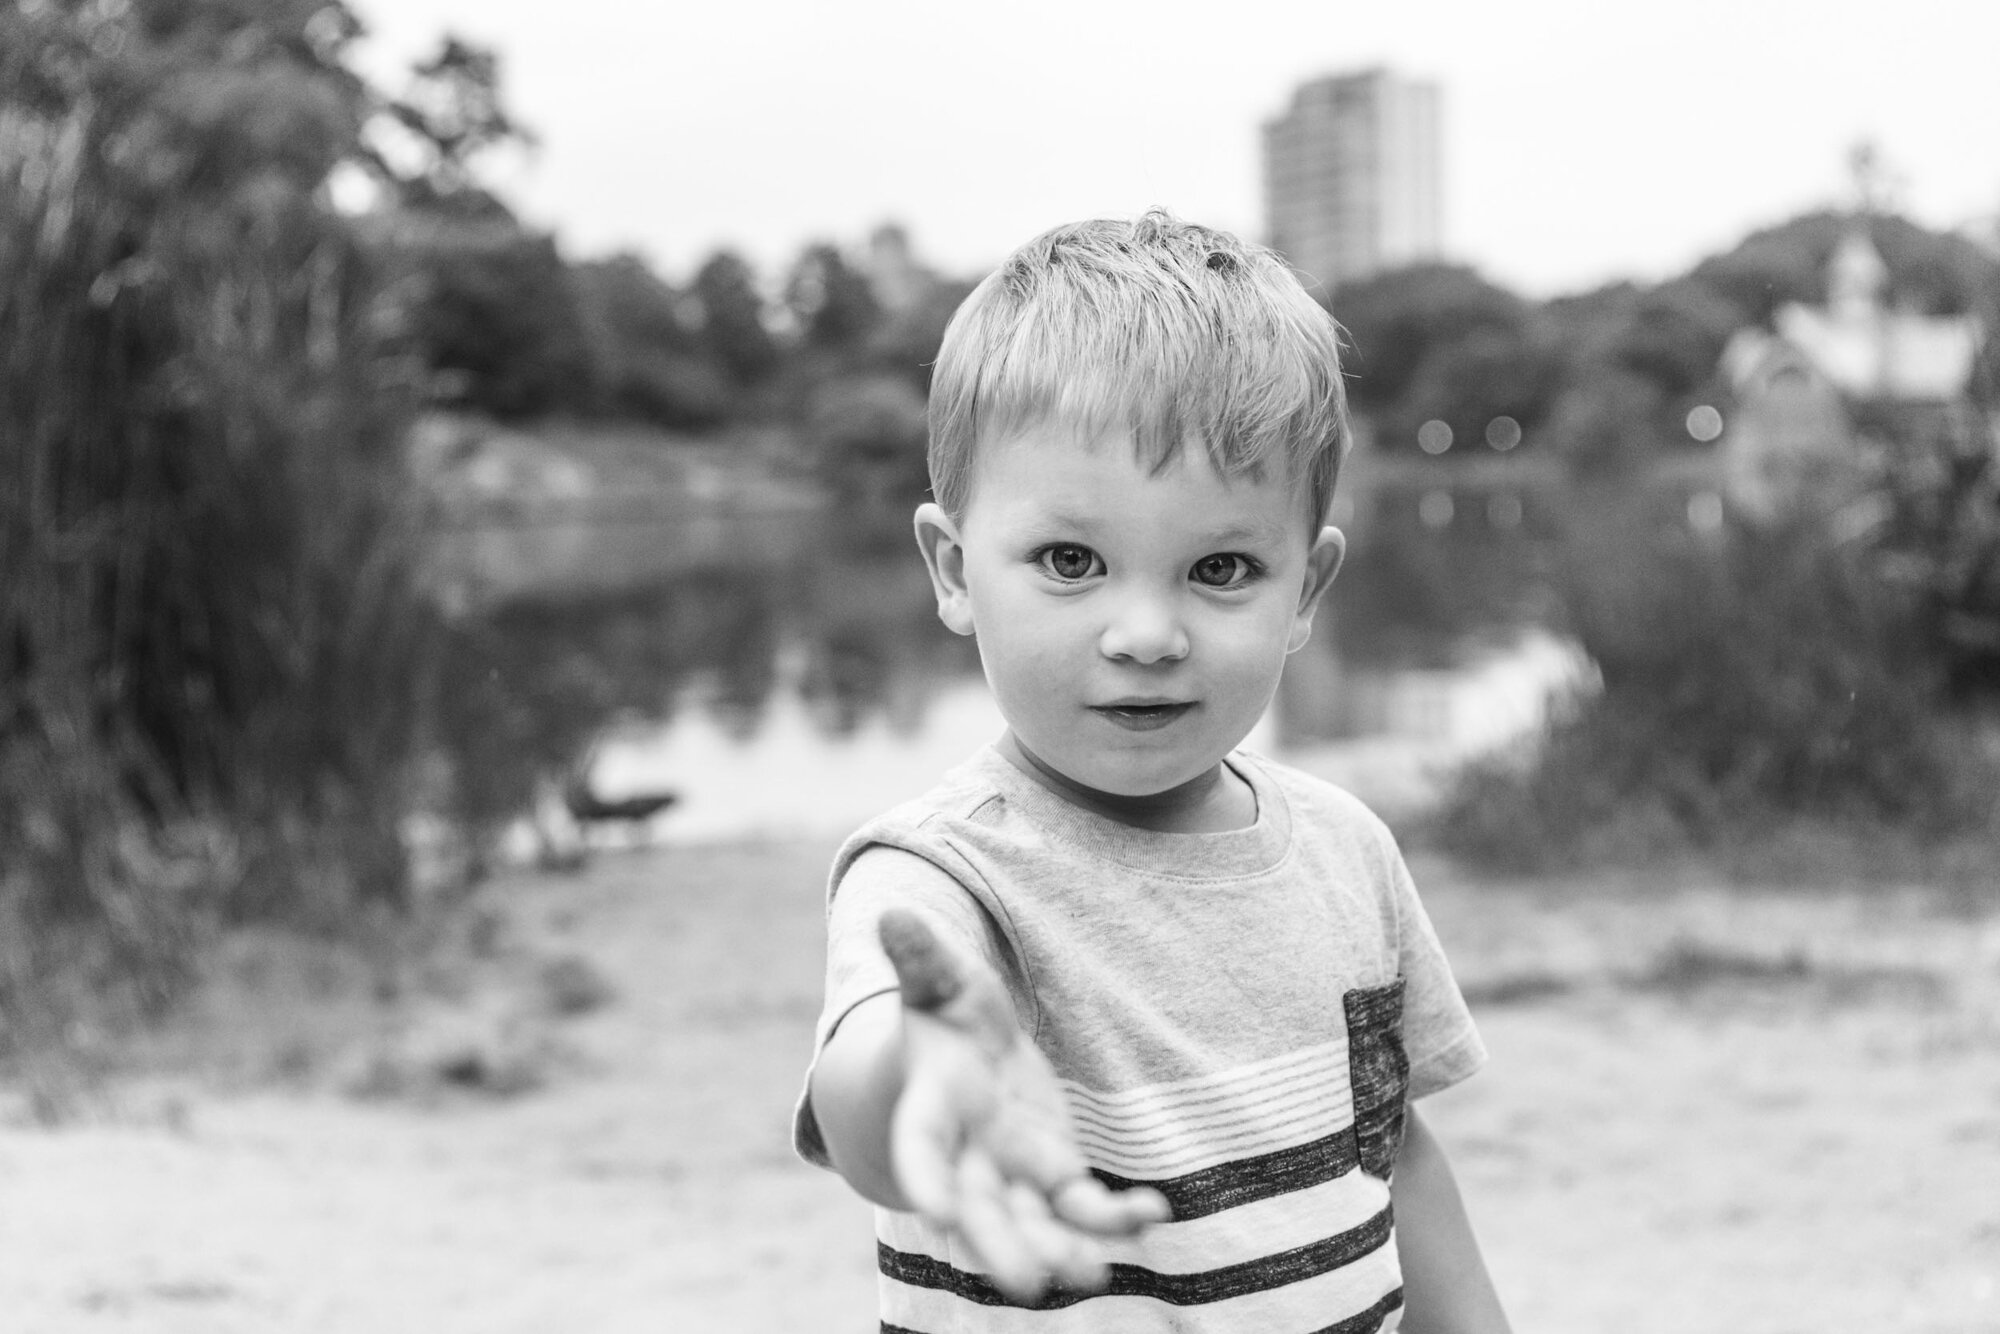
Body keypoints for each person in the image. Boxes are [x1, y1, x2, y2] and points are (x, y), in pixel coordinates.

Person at [793, 209, 1510, 1333]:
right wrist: (928, 1072)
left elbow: (1394, 1151)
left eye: (1219, 566)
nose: (1144, 632)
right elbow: (867, 1114)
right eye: (1069, 561)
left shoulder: (1346, 851)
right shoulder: (938, 875)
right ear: (952, 567)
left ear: (1305, 591)